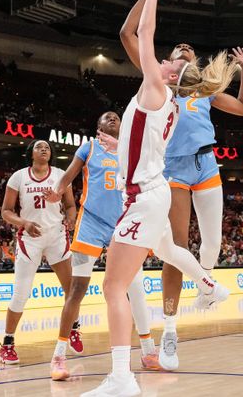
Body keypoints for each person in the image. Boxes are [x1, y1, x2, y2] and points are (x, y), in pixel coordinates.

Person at [82, 0, 236, 397]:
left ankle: (121, 378)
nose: (166, 59)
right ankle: (211, 284)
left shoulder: (155, 88)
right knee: (169, 249)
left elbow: (143, 33)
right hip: (155, 192)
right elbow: (134, 37)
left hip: (145, 199)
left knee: (114, 286)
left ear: (169, 74)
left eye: (171, 62)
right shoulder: (166, 96)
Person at [120, 0, 243, 371]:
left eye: (189, 50)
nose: (184, 50)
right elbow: (129, 35)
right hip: (173, 170)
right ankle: (171, 331)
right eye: (178, 50)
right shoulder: (157, 80)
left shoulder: (205, 92)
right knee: (176, 251)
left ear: (191, 64)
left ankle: (207, 284)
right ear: (168, 61)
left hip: (206, 165)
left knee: (211, 247)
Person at [43, 112, 160, 381]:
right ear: (98, 126)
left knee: (136, 289)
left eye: (116, 118)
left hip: (123, 223)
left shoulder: (129, 150)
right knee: (77, 289)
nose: (112, 119)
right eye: (106, 118)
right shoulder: (89, 147)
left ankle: (147, 350)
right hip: (92, 222)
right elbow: (70, 175)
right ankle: (58, 357)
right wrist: (57, 192)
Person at [0, 140, 78, 364]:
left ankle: (73, 328)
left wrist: (71, 219)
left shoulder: (61, 175)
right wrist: (24, 222)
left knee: (71, 288)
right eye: (38, 147)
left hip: (56, 235)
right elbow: (6, 211)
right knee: (21, 293)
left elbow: (71, 206)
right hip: (29, 238)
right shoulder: (19, 177)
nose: (44, 149)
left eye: (47, 147)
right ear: (30, 154)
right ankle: (7, 343)